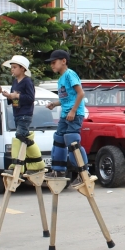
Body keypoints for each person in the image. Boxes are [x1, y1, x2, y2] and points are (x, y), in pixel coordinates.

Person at [46, 50, 87, 186]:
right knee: (59, 139)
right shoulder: (61, 78)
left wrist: (74, 111)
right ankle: (58, 170)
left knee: (72, 140)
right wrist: (54, 103)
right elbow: (66, 99)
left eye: (54, 62)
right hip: (65, 114)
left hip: (74, 113)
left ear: (63, 61)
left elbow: (80, 94)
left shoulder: (70, 74)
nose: (52, 65)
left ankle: (83, 172)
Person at [1, 55, 44, 174]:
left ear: (23, 69)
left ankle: (24, 164)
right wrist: (9, 96)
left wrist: (16, 96)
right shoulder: (15, 82)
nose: (12, 69)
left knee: (20, 135)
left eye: (14, 67)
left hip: (25, 113)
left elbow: (30, 98)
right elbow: (12, 98)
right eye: (12, 67)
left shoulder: (27, 81)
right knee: (22, 136)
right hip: (17, 113)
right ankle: (33, 163)